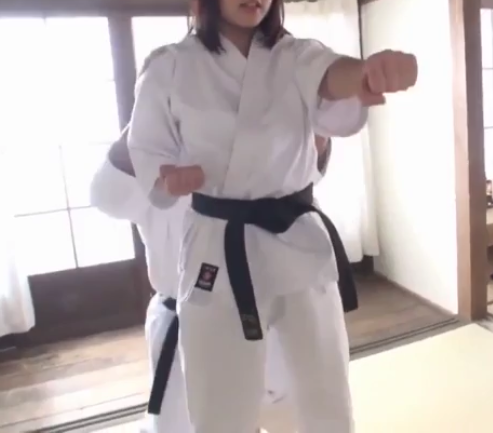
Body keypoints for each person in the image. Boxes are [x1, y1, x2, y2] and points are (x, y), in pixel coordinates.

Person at [125, 0, 418, 431]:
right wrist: (167, 178)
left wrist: (368, 70)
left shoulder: (295, 54)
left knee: (322, 389)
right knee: (219, 396)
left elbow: (332, 76)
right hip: (218, 243)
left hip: (295, 238)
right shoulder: (170, 67)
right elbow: (147, 148)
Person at [90, 126, 333, 432]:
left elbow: (309, 164)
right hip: (186, 321)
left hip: (276, 311)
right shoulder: (151, 142)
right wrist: (154, 113)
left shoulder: (260, 120)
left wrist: (314, 121)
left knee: (300, 417)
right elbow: (107, 195)